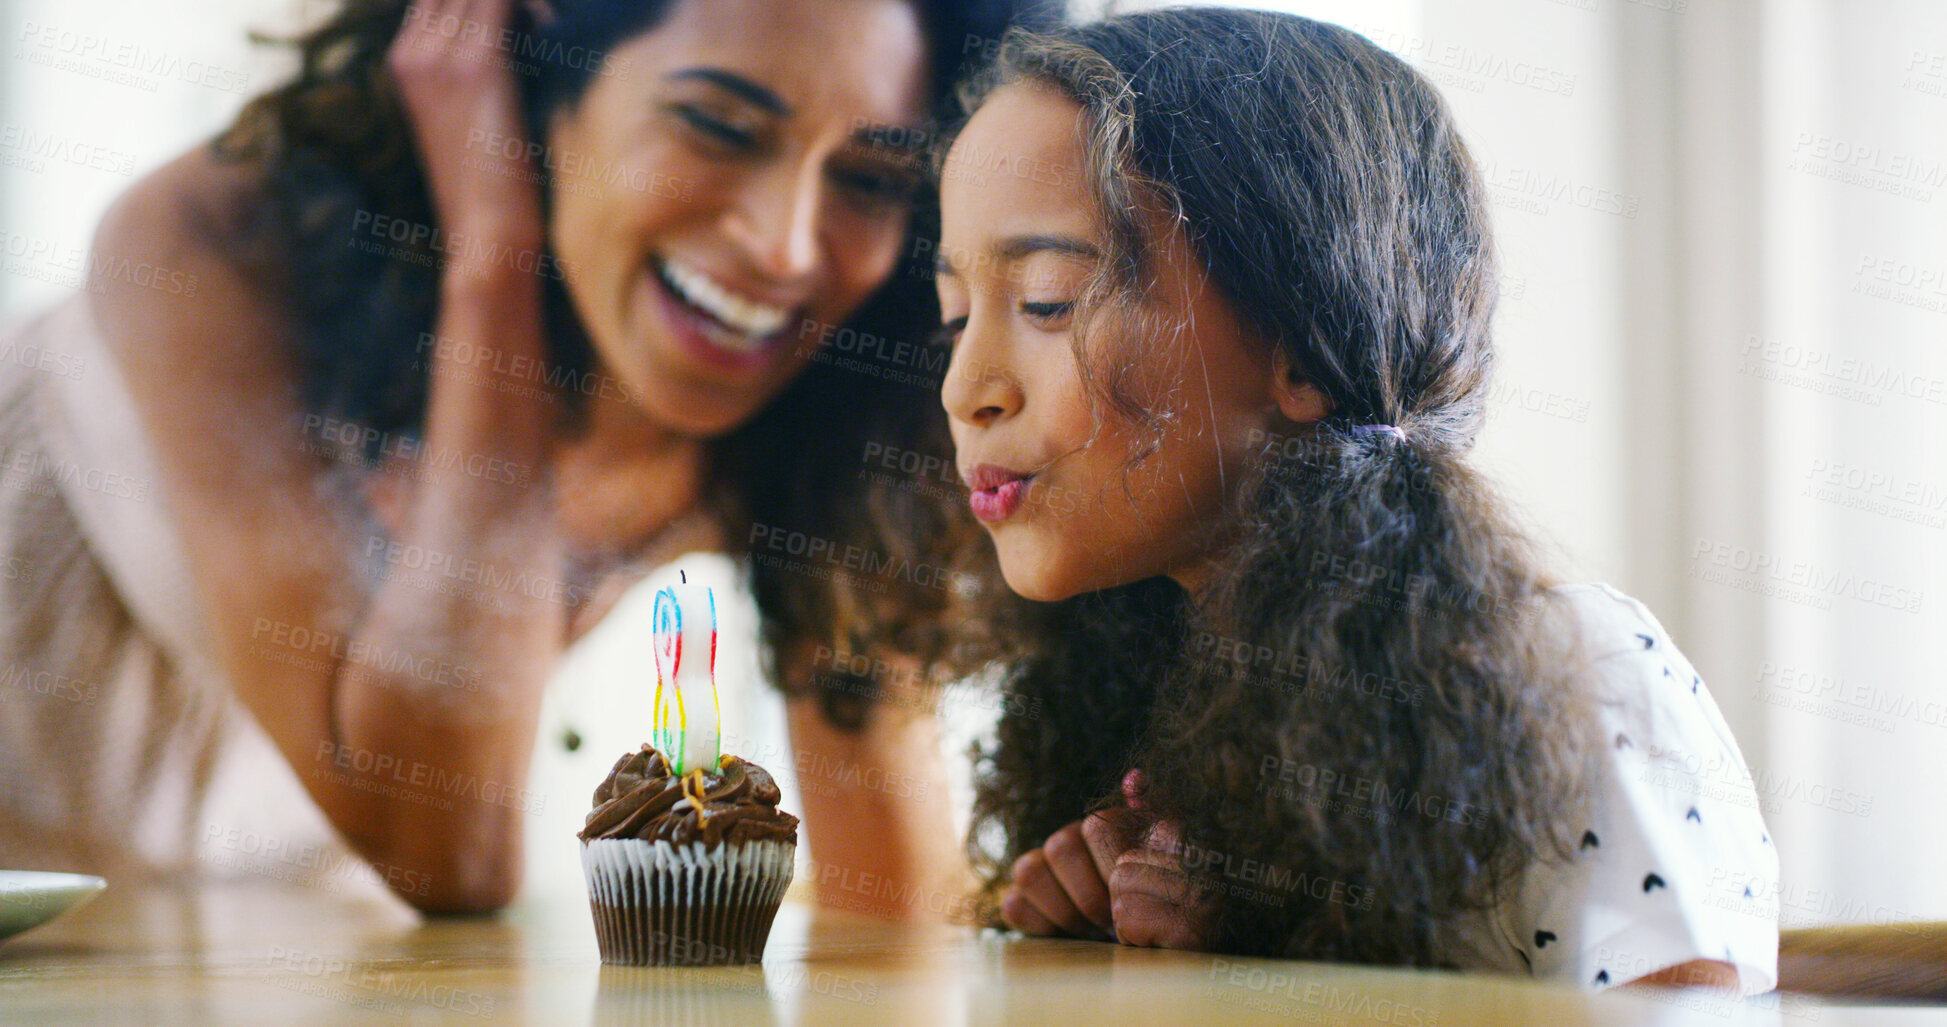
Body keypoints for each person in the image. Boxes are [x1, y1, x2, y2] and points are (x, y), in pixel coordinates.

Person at [0, 0, 1045, 914]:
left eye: (869, 179)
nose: (785, 246)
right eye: (719, 126)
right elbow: (444, 848)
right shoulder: (212, 241)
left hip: (256, 947)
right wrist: (490, 241)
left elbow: (891, 902)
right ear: (536, 71)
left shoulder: (804, 400)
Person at [924, 9, 1780, 990]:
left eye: (1045, 301)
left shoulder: (1565, 675)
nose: (966, 388)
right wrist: (1118, 960)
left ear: (1303, 340)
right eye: (955, 318)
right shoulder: (1161, 695)